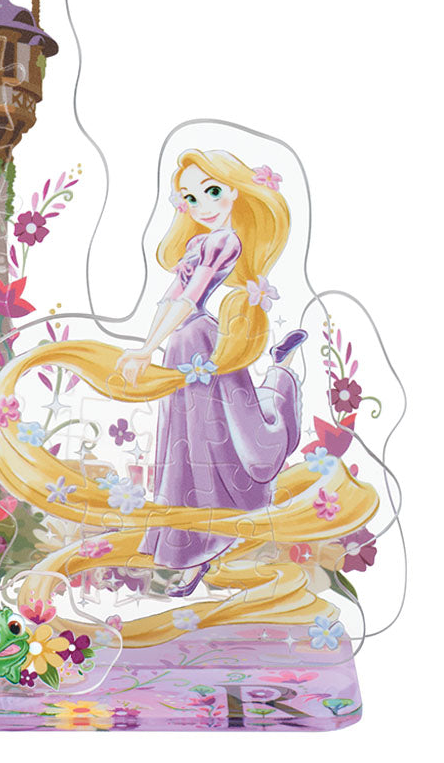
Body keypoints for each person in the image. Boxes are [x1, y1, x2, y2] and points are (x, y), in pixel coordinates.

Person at [114, 149, 306, 595]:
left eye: (212, 191)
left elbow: (188, 299)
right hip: (182, 345)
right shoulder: (196, 244)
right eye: (190, 198)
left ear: (234, 191)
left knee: (218, 436)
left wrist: (147, 349)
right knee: (183, 442)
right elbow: (169, 299)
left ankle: (281, 369)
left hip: (202, 344)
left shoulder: (225, 243)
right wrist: (146, 347)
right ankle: (186, 546)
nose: (202, 205)